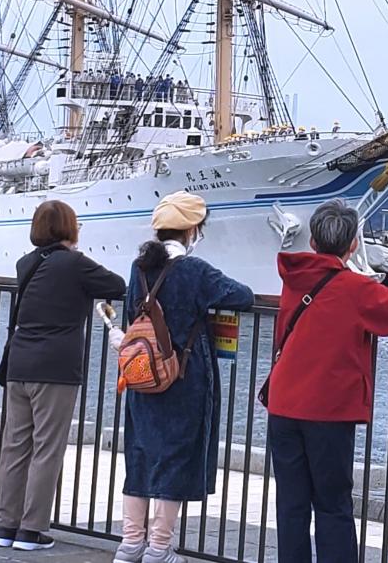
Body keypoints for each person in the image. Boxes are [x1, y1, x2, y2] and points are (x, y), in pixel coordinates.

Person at [263, 199, 388, 563]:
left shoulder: (293, 277)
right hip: (328, 408)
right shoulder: (356, 288)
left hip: (284, 402)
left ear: (313, 241)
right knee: (332, 503)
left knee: (292, 502)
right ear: (352, 245)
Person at [115, 192, 253, 563]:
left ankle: (130, 543)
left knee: (141, 453)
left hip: (142, 373)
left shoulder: (138, 269)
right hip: (183, 378)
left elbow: (132, 313)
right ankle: (159, 547)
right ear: (193, 229)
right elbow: (242, 295)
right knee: (175, 457)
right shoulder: (195, 271)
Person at [0, 200, 126, 551]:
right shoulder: (75, 263)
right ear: (70, 228)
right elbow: (117, 285)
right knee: (47, 449)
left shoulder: (27, 262)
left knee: (15, 446)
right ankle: (32, 529)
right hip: (56, 366)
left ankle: (5, 524)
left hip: (19, 362)